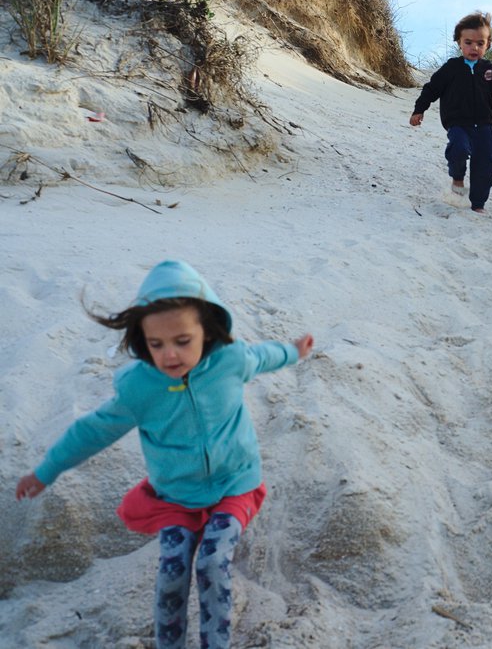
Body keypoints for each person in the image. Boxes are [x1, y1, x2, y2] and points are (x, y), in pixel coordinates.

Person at [14, 259, 314, 649]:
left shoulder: (230, 361)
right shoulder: (140, 388)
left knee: (212, 562)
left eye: (182, 341)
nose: (169, 354)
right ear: (143, 340)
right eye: (156, 344)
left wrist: (293, 351)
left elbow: (263, 356)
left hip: (235, 483)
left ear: (206, 332)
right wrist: (46, 470)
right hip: (176, 496)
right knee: (172, 574)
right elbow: (91, 431)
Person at [409, 11, 492, 213]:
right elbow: (431, 89)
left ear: (488, 45)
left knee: (487, 162)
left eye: (480, 43)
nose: (474, 47)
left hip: (485, 125)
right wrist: (419, 110)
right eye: (468, 42)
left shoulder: (489, 69)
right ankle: (457, 177)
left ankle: (478, 203)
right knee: (459, 149)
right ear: (459, 43)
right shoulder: (451, 68)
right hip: (458, 123)